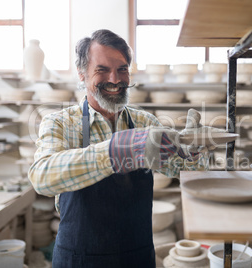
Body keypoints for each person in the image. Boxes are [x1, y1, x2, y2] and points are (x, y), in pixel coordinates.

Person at [28, 29, 214, 268]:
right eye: (102, 70)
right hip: (79, 258)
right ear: (82, 74)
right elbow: (42, 177)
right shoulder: (61, 123)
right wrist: (116, 152)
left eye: (122, 69)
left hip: (137, 255)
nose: (115, 80)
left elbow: (182, 169)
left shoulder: (146, 123)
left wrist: (194, 149)